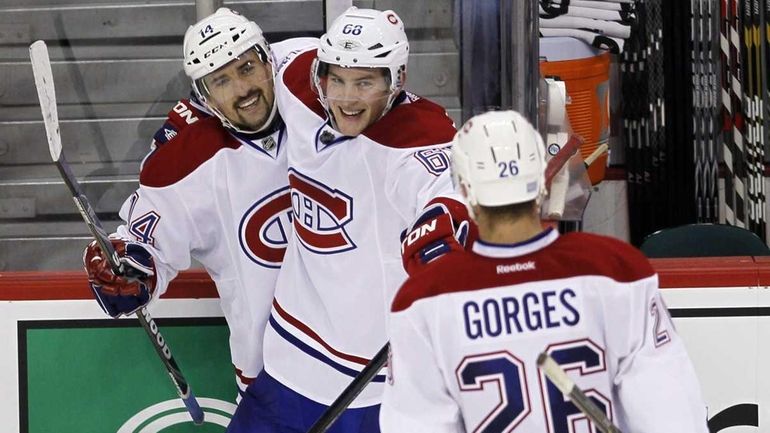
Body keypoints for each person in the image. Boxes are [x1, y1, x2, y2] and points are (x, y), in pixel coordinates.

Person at [379, 110, 709, 433]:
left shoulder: (423, 299)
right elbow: (674, 414)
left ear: (465, 191)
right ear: (542, 182)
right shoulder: (616, 271)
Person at [226, 7, 472, 433]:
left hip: (377, 385)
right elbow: (247, 68)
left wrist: (443, 227)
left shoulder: (417, 135)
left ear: (396, 81)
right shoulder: (298, 79)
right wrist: (188, 120)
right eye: (336, 79)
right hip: (291, 359)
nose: (346, 97)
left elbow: (450, 188)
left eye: (365, 83)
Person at [83, 7, 315, 396]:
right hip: (274, 374)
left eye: (246, 68)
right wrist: (126, 268)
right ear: (204, 95)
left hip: (370, 360)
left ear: (267, 58)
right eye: (221, 81)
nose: (242, 90)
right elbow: (147, 249)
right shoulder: (186, 158)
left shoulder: (319, 84)